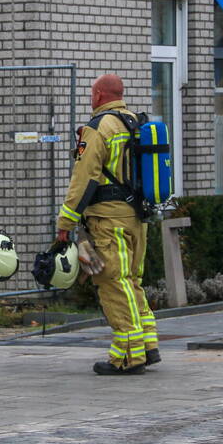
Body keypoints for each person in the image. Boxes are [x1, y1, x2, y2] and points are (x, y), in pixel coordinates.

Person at [55, 74, 158, 375]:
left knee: (113, 284)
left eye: (91, 94)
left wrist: (66, 221)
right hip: (137, 217)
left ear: (99, 95)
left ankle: (127, 355)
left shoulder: (99, 127)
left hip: (108, 221)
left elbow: (83, 179)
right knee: (131, 281)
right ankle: (148, 346)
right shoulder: (137, 123)